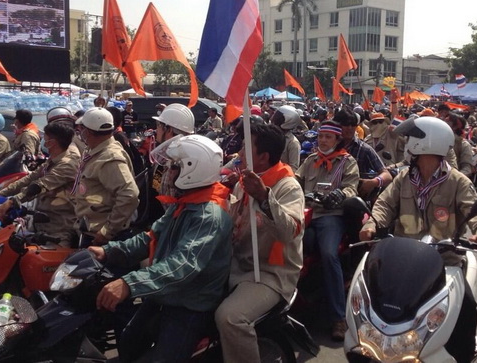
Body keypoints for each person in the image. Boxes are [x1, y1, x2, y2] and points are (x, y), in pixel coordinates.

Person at [359, 116, 477, 363]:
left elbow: (475, 211)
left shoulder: (457, 182)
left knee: (466, 307)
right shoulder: (404, 178)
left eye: (412, 137)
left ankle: (462, 355)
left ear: (427, 142)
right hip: (403, 256)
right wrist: (372, 224)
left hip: (445, 260)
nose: (407, 142)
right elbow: (384, 205)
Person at [89, 135, 232, 363]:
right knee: (128, 342)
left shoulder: (208, 215)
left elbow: (183, 265)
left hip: (189, 303)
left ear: (191, 170)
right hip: (166, 293)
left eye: (174, 167)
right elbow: (151, 238)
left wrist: (129, 283)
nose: (168, 173)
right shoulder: (186, 203)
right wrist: (108, 251)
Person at [215, 123, 305, 362]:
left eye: (246, 148)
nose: (240, 154)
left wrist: (264, 197)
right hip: (236, 263)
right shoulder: (243, 180)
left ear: (264, 157)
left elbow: (290, 231)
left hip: (269, 273)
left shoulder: (288, 186)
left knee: (230, 317)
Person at [295, 120, 359, 341]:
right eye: (320, 136)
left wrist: (340, 194)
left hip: (331, 217)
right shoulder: (310, 160)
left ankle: (338, 318)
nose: (322, 140)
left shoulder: (347, 162)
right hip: (305, 213)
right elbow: (295, 181)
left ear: (337, 139)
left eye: (328, 137)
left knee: (329, 254)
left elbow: (352, 186)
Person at [0, 123, 80, 247]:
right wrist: (0, 193)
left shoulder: (67, 164)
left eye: (45, 136)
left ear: (52, 142)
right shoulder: (53, 159)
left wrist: (12, 201)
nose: (42, 138)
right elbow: (30, 178)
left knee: (45, 262)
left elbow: (39, 186)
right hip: (41, 219)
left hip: (59, 226)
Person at [72, 107, 139, 245]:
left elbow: (129, 195)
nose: (80, 133)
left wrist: (107, 231)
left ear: (88, 132)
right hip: (90, 230)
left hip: (103, 239)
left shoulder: (110, 158)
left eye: (82, 129)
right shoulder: (94, 151)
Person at [333, 107, 392, 198]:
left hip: (353, 201)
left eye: (353, 125)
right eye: (346, 124)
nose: (350, 128)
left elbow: (387, 175)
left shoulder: (364, 149)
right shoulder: (328, 147)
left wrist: (373, 182)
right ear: (337, 125)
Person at [270, 105, 302, 172]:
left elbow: (293, 168)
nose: (273, 119)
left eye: (278, 118)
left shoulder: (293, 143)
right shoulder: (271, 135)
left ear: (287, 121)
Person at [448, 112, 474, 177]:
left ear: (455, 126)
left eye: (448, 121)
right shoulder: (435, 139)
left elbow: (467, 168)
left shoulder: (464, 145)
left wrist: (455, 179)